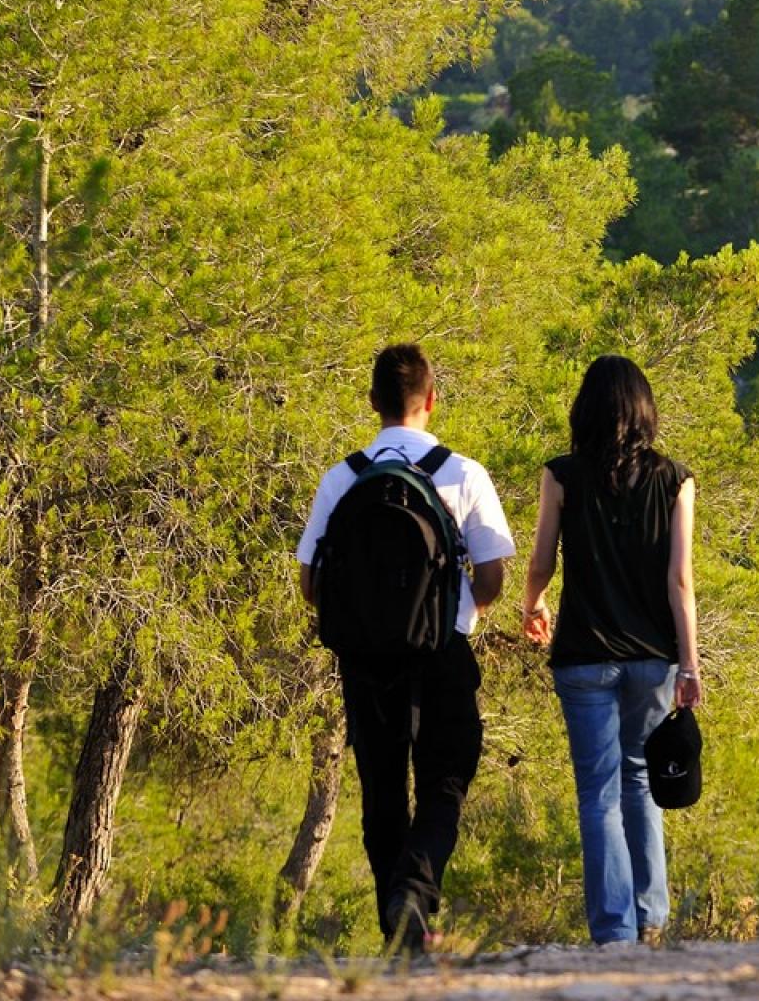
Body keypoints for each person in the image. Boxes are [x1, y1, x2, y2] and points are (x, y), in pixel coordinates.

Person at [296, 343, 515, 951]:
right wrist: (458, 607)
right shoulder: (463, 472)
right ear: (431, 400)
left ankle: (398, 927)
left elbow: (311, 585)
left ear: (373, 402)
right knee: (446, 777)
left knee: (382, 785)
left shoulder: (342, 477)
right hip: (442, 649)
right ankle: (414, 894)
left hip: (365, 657)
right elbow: (494, 574)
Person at [520, 355, 702, 946]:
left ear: (585, 410)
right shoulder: (676, 480)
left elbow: (542, 561)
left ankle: (614, 932)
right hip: (652, 657)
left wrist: (534, 603)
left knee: (597, 791)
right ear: (645, 410)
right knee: (640, 780)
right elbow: (680, 582)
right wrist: (691, 664)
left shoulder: (562, 475)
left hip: (583, 655)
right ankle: (650, 917)